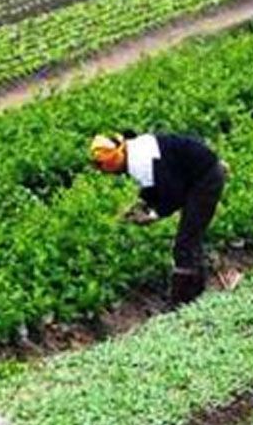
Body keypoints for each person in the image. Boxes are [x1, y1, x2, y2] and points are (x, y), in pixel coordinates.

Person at [90, 131, 227, 305]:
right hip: (194, 174)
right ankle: (196, 292)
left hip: (205, 179)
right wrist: (141, 204)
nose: (105, 172)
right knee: (190, 238)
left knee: (186, 241)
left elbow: (173, 194)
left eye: (104, 166)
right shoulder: (135, 150)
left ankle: (181, 301)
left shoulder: (140, 161)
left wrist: (154, 215)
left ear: (114, 160)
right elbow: (155, 183)